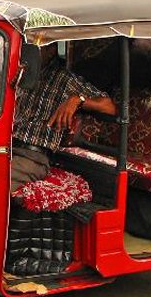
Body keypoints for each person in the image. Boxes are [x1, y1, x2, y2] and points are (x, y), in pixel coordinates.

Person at [11, 43, 117, 193]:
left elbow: (110, 107)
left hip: (33, 157)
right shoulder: (23, 73)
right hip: (5, 148)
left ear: (51, 50)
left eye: (36, 47)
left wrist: (78, 100)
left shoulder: (65, 79)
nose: (28, 52)